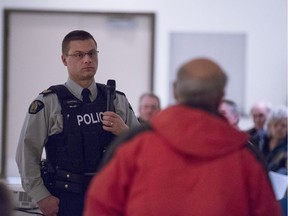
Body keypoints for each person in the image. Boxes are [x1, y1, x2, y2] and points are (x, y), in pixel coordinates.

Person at [84, 58, 282, 216]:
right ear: (221, 95)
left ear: (175, 90)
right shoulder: (246, 157)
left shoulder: (134, 146)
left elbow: (101, 207)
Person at [16, 30, 140, 216]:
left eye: (92, 53)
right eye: (79, 55)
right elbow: (27, 153)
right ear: (64, 59)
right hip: (65, 199)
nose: (87, 59)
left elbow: (145, 149)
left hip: (110, 198)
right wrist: (41, 197)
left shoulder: (116, 100)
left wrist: (124, 131)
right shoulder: (49, 102)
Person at [257, 105, 287, 174]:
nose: (279, 128)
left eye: (283, 125)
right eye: (275, 125)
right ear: (269, 126)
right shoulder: (260, 139)